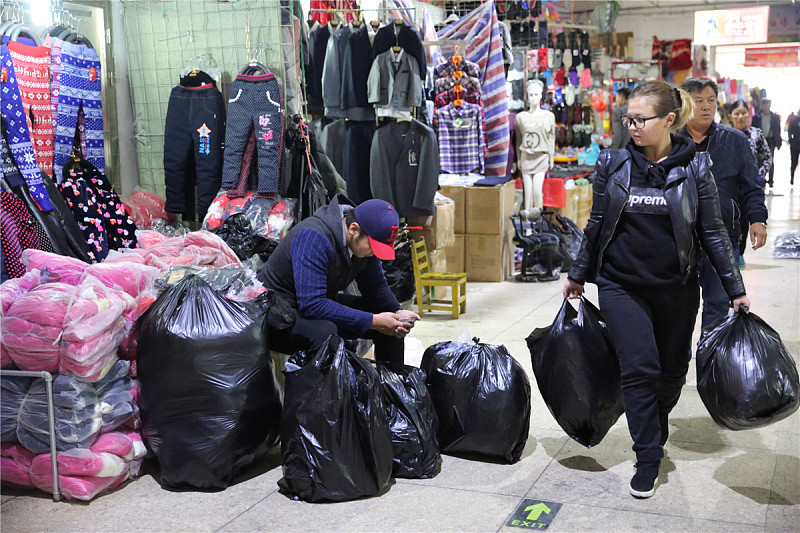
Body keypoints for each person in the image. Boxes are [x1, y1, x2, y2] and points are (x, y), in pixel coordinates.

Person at [563, 80, 750, 499]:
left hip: (677, 287)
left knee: (670, 373)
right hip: (620, 285)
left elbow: (713, 231)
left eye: (640, 119)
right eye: (627, 118)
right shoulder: (612, 163)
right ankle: (647, 456)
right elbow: (596, 224)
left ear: (668, 120)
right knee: (639, 369)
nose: (631, 126)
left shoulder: (696, 166)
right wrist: (578, 273)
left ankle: (655, 422)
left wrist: (734, 287)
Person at [258, 196, 420, 364]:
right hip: (278, 315)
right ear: (354, 229)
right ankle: (323, 390)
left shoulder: (364, 243)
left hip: (312, 303)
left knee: (391, 323)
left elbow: (376, 286)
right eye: (373, 247)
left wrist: (397, 313)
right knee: (325, 332)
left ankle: (391, 385)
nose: (374, 253)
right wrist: (373, 321)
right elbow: (312, 305)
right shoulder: (314, 237)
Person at [681, 78, 767, 328]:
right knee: (679, 308)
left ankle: (711, 361)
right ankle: (676, 364)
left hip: (722, 235)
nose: (706, 106)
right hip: (676, 237)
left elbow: (751, 186)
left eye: (710, 100)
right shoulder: (669, 140)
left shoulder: (735, 141)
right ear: (685, 103)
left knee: (718, 304)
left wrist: (757, 219)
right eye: (698, 101)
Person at [730, 99, 772, 260]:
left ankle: (740, 252)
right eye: (737, 113)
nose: (740, 117)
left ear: (749, 115)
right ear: (731, 116)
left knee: (745, 219)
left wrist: (760, 176)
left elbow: (767, 157)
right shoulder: (724, 135)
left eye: (743, 113)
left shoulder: (756, 134)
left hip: (749, 185)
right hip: (730, 186)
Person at [751, 98, 782, 187]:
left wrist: (778, 141)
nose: (766, 107)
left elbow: (777, 130)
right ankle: (761, 179)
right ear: (762, 106)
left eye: (768, 105)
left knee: (770, 160)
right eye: (765, 105)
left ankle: (771, 180)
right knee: (760, 160)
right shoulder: (757, 117)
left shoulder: (775, 117)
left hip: (770, 140)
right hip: (760, 141)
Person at [788, 109, 800, 186]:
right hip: (795, 143)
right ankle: (792, 176)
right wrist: (791, 140)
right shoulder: (795, 120)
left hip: (795, 142)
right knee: (794, 162)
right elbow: (790, 130)